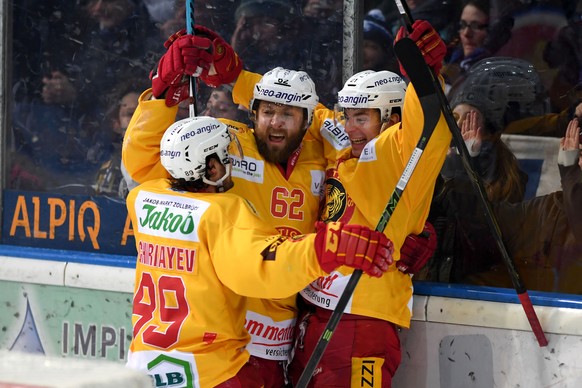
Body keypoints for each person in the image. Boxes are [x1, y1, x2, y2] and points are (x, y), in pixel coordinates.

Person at [122, 21, 445, 387]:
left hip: (290, 337)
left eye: (288, 114)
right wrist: (163, 94)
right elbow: (146, 164)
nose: (276, 122)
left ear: (307, 122)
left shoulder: (329, 150)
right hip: (232, 334)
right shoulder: (225, 145)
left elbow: (397, 156)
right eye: (266, 111)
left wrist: (408, 227)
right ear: (252, 114)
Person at [125, 114, 394, 387]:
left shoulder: (142, 198)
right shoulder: (221, 213)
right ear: (212, 169)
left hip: (144, 369)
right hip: (209, 371)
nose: (232, 161)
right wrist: (326, 248)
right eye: (225, 156)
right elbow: (264, 265)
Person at [425, 114, 582, 292]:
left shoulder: (567, 198)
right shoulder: (548, 208)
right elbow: (482, 223)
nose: (578, 160)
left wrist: (571, 176)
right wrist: (464, 166)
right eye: (580, 154)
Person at [441, 0, 514, 96]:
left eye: (475, 26)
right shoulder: (450, 67)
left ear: (493, 32)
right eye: (463, 25)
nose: (467, 33)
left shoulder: (495, 76)